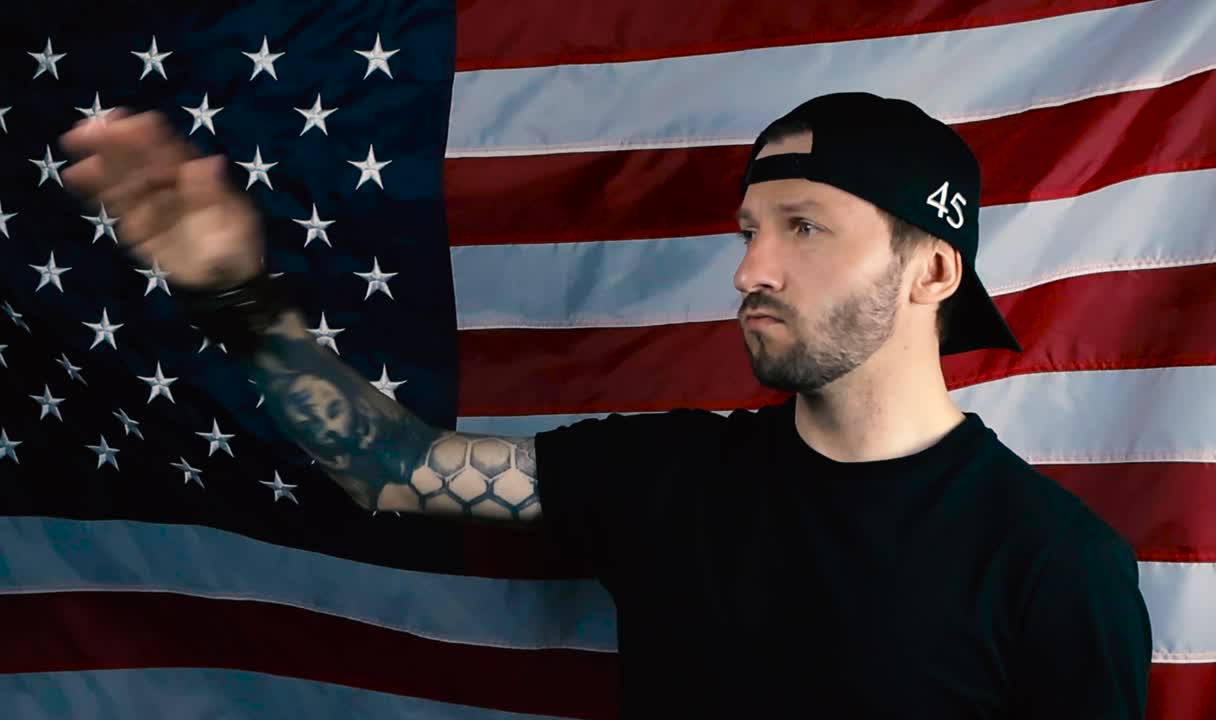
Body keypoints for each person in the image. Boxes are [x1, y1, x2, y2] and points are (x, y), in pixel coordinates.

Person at [58, 91, 1152, 718]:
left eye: (803, 227)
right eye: (746, 232)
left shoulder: (1052, 562)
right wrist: (236, 296)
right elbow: (389, 465)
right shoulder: (668, 478)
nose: (748, 271)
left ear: (931, 273)